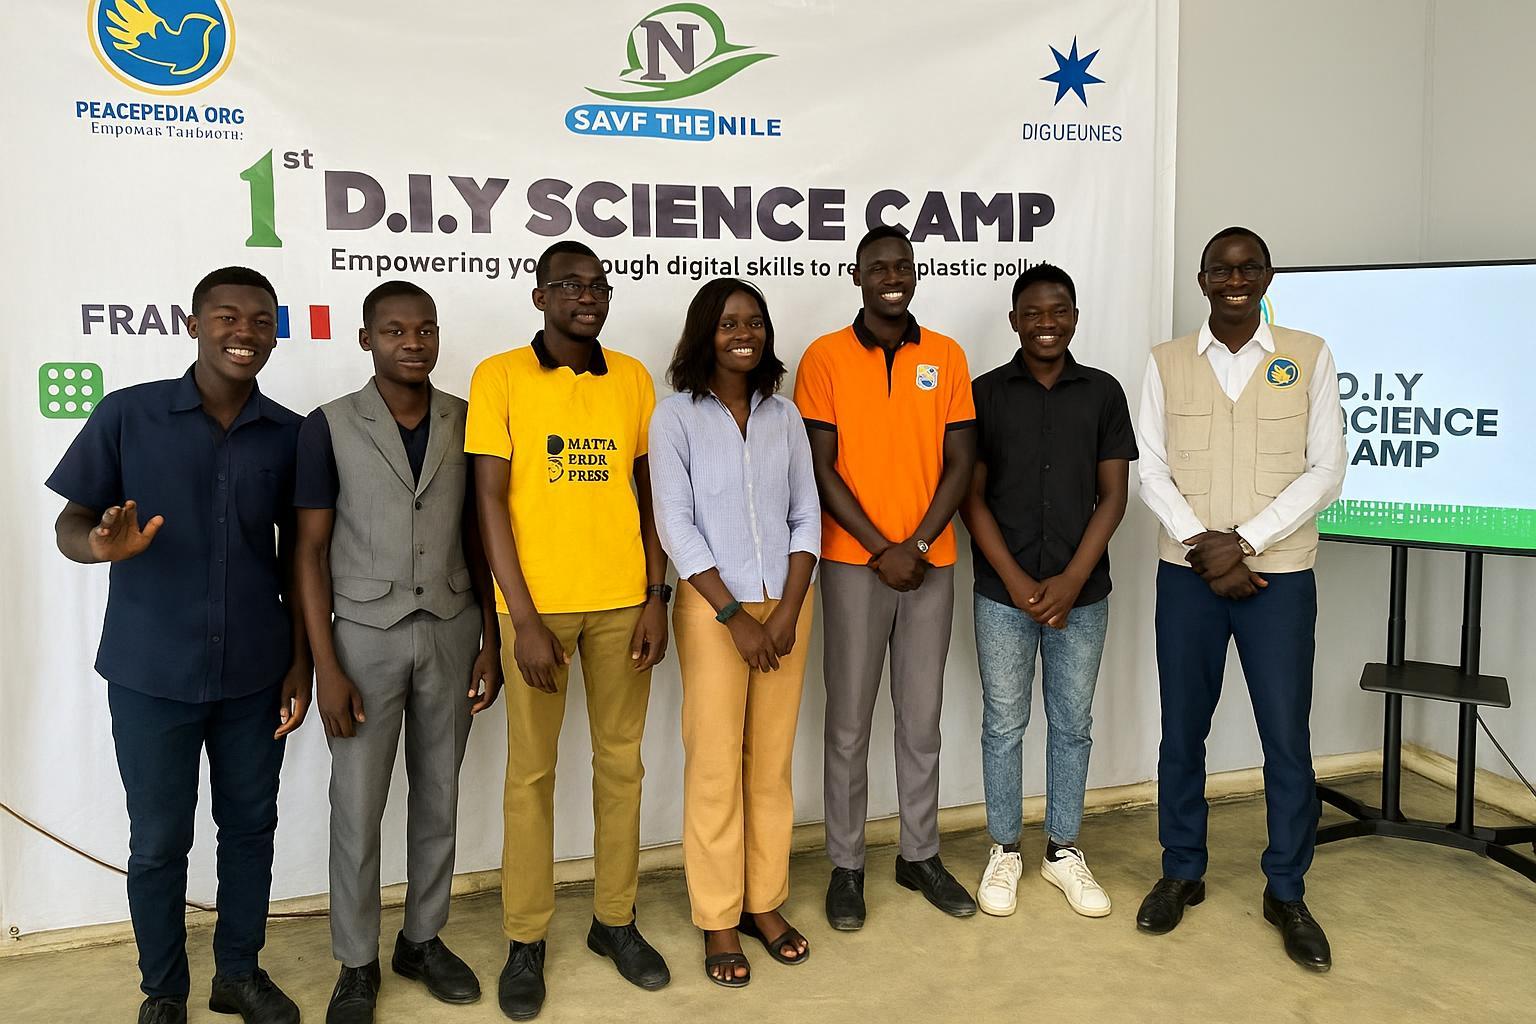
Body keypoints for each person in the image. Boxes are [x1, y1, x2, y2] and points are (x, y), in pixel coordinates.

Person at [46, 267, 310, 1024]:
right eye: (226, 316)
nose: (243, 331)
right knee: (159, 842)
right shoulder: (127, 415)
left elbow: (301, 557)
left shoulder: (291, 433)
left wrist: (301, 661)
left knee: (250, 828)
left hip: (255, 671)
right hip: (150, 671)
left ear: (273, 333)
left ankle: (239, 975)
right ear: (193, 325)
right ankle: (163, 990)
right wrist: (99, 546)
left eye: (259, 319)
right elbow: (70, 523)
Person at [467, 240, 671, 1020]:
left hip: (623, 603)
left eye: (598, 286)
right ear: (540, 297)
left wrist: (656, 595)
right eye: (570, 285)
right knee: (531, 775)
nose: (588, 297)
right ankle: (525, 936)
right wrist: (520, 617)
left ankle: (614, 919)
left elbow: (652, 496)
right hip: (537, 611)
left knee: (622, 766)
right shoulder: (499, 376)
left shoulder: (633, 378)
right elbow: (489, 502)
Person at [1134, 226, 1346, 971]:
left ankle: (1286, 890)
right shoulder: (1165, 362)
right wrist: (1204, 545)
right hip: (1188, 576)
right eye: (1220, 270)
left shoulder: (1309, 355)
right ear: (1202, 281)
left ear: (1267, 276)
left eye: (1247, 267)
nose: (1234, 279)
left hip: (1278, 577)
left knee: (1286, 738)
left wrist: (1245, 541)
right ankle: (1181, 871)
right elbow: (1150, 469)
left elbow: (1326, 470)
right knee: (1182, 730)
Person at [293, 281, 502, 1024]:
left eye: (425, 330)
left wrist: (491, 640)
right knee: (357, 806)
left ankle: (422, 939)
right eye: (394, 331)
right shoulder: (328, 425)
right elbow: (308, 552)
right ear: (366, 340)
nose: (412, 343)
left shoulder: (466, 419)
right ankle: (356, 960)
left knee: (439, 793)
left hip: (452, 626)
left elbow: (481, 536)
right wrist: (326, 667)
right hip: (362, 639)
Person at [793, 225, 979, 929]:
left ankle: (919, 854)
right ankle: (846, 864)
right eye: (878, 268)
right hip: (852, 565)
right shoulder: (825, 357)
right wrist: (881, 548)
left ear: (915, 273)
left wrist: (919, 542)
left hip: (932, 563)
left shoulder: (947, 355)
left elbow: (960, 460)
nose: (892, 277)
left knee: (921, 720)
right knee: (847, 723)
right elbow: (820, 466)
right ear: (858, 276)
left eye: (902, 266)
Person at [648, 278, 820, 987]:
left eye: (753, 322)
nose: (743, 334)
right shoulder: (674, 418)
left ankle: (763, 903)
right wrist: (733, 617)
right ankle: (719, 916)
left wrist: (786, 611)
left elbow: (806, 515)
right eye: (727, 323)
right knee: (716, 765)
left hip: (787, 608)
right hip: (712, 611)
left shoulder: (786, 416)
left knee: (770, 765)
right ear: (704, 334)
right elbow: (675, 525)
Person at [961, 265, 1137, 919]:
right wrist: (1014, 579)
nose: (1046, 323)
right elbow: (970, 499)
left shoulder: (1103, 393)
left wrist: (1070, 581)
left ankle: (1063, 851)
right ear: (1014, 321)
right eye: (1032, 312)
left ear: (1075, 317)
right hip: (1001, 593)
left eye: (1058, 310)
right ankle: (1004, 849)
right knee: (1003, 724)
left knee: (1072, 725)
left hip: (1081, 595)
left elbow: (1113, 496)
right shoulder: (984, 394)